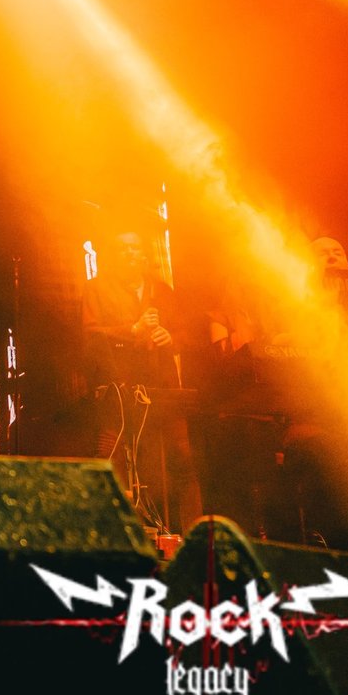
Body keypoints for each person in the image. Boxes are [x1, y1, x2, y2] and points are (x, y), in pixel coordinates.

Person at [81, 228, 202, 532]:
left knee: (181, 457)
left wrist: (171, 337)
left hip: (163, 386)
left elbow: (188, 335)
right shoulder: (97, 289)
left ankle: (190, 533)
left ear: (145, 256)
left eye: (135, 248)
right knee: (112, 456)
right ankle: (113, 531)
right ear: (112, 256)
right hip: (118, 385)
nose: (130, 253)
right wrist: (132, 330)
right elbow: (91, 338)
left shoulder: (162, 291)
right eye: (122, 248)